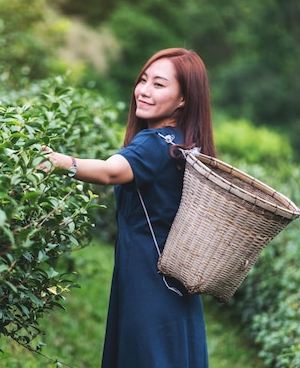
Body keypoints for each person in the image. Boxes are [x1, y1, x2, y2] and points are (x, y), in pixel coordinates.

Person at [40, 47, 215, 367]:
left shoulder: (153, 143)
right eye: (143, 80)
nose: (144, 91)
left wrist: (58, 162)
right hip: (176, 283)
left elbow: (111, 172)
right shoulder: (181, 144)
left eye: (159, 85)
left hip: (149, 281)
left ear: (183, 99)